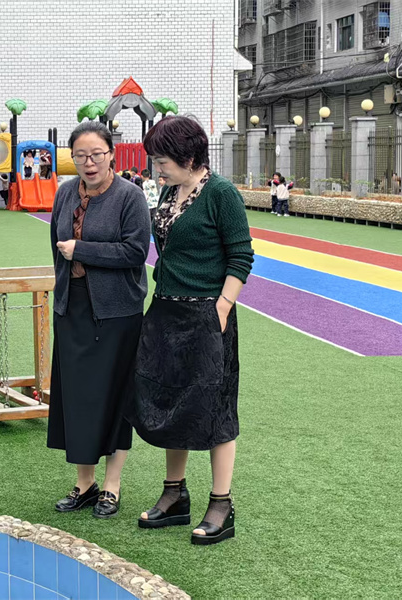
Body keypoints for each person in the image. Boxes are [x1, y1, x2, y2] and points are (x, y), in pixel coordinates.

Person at [129, 116, 254, 545]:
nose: (156, 169)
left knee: (216, 407)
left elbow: (241, 256)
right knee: (169, 401)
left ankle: (221, 503)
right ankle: (174, 495)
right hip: (166, 311)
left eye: (162, 161)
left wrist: (222, 306)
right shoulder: (170, 191)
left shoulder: (221, 193)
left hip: (206, 316)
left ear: (188, 156)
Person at [49, 121, 151, 519]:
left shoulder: (130, 196)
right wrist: (64, 287)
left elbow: (135, 252)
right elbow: (57, 247)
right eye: (80, 156)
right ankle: (84, 483)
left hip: (117, 312)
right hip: (71, 308)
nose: (89, 163)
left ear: (112, 154)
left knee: (114, 396)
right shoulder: (64, 193)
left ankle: (112, 486)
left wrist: (82, 250)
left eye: (96, 154)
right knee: (76, 397)